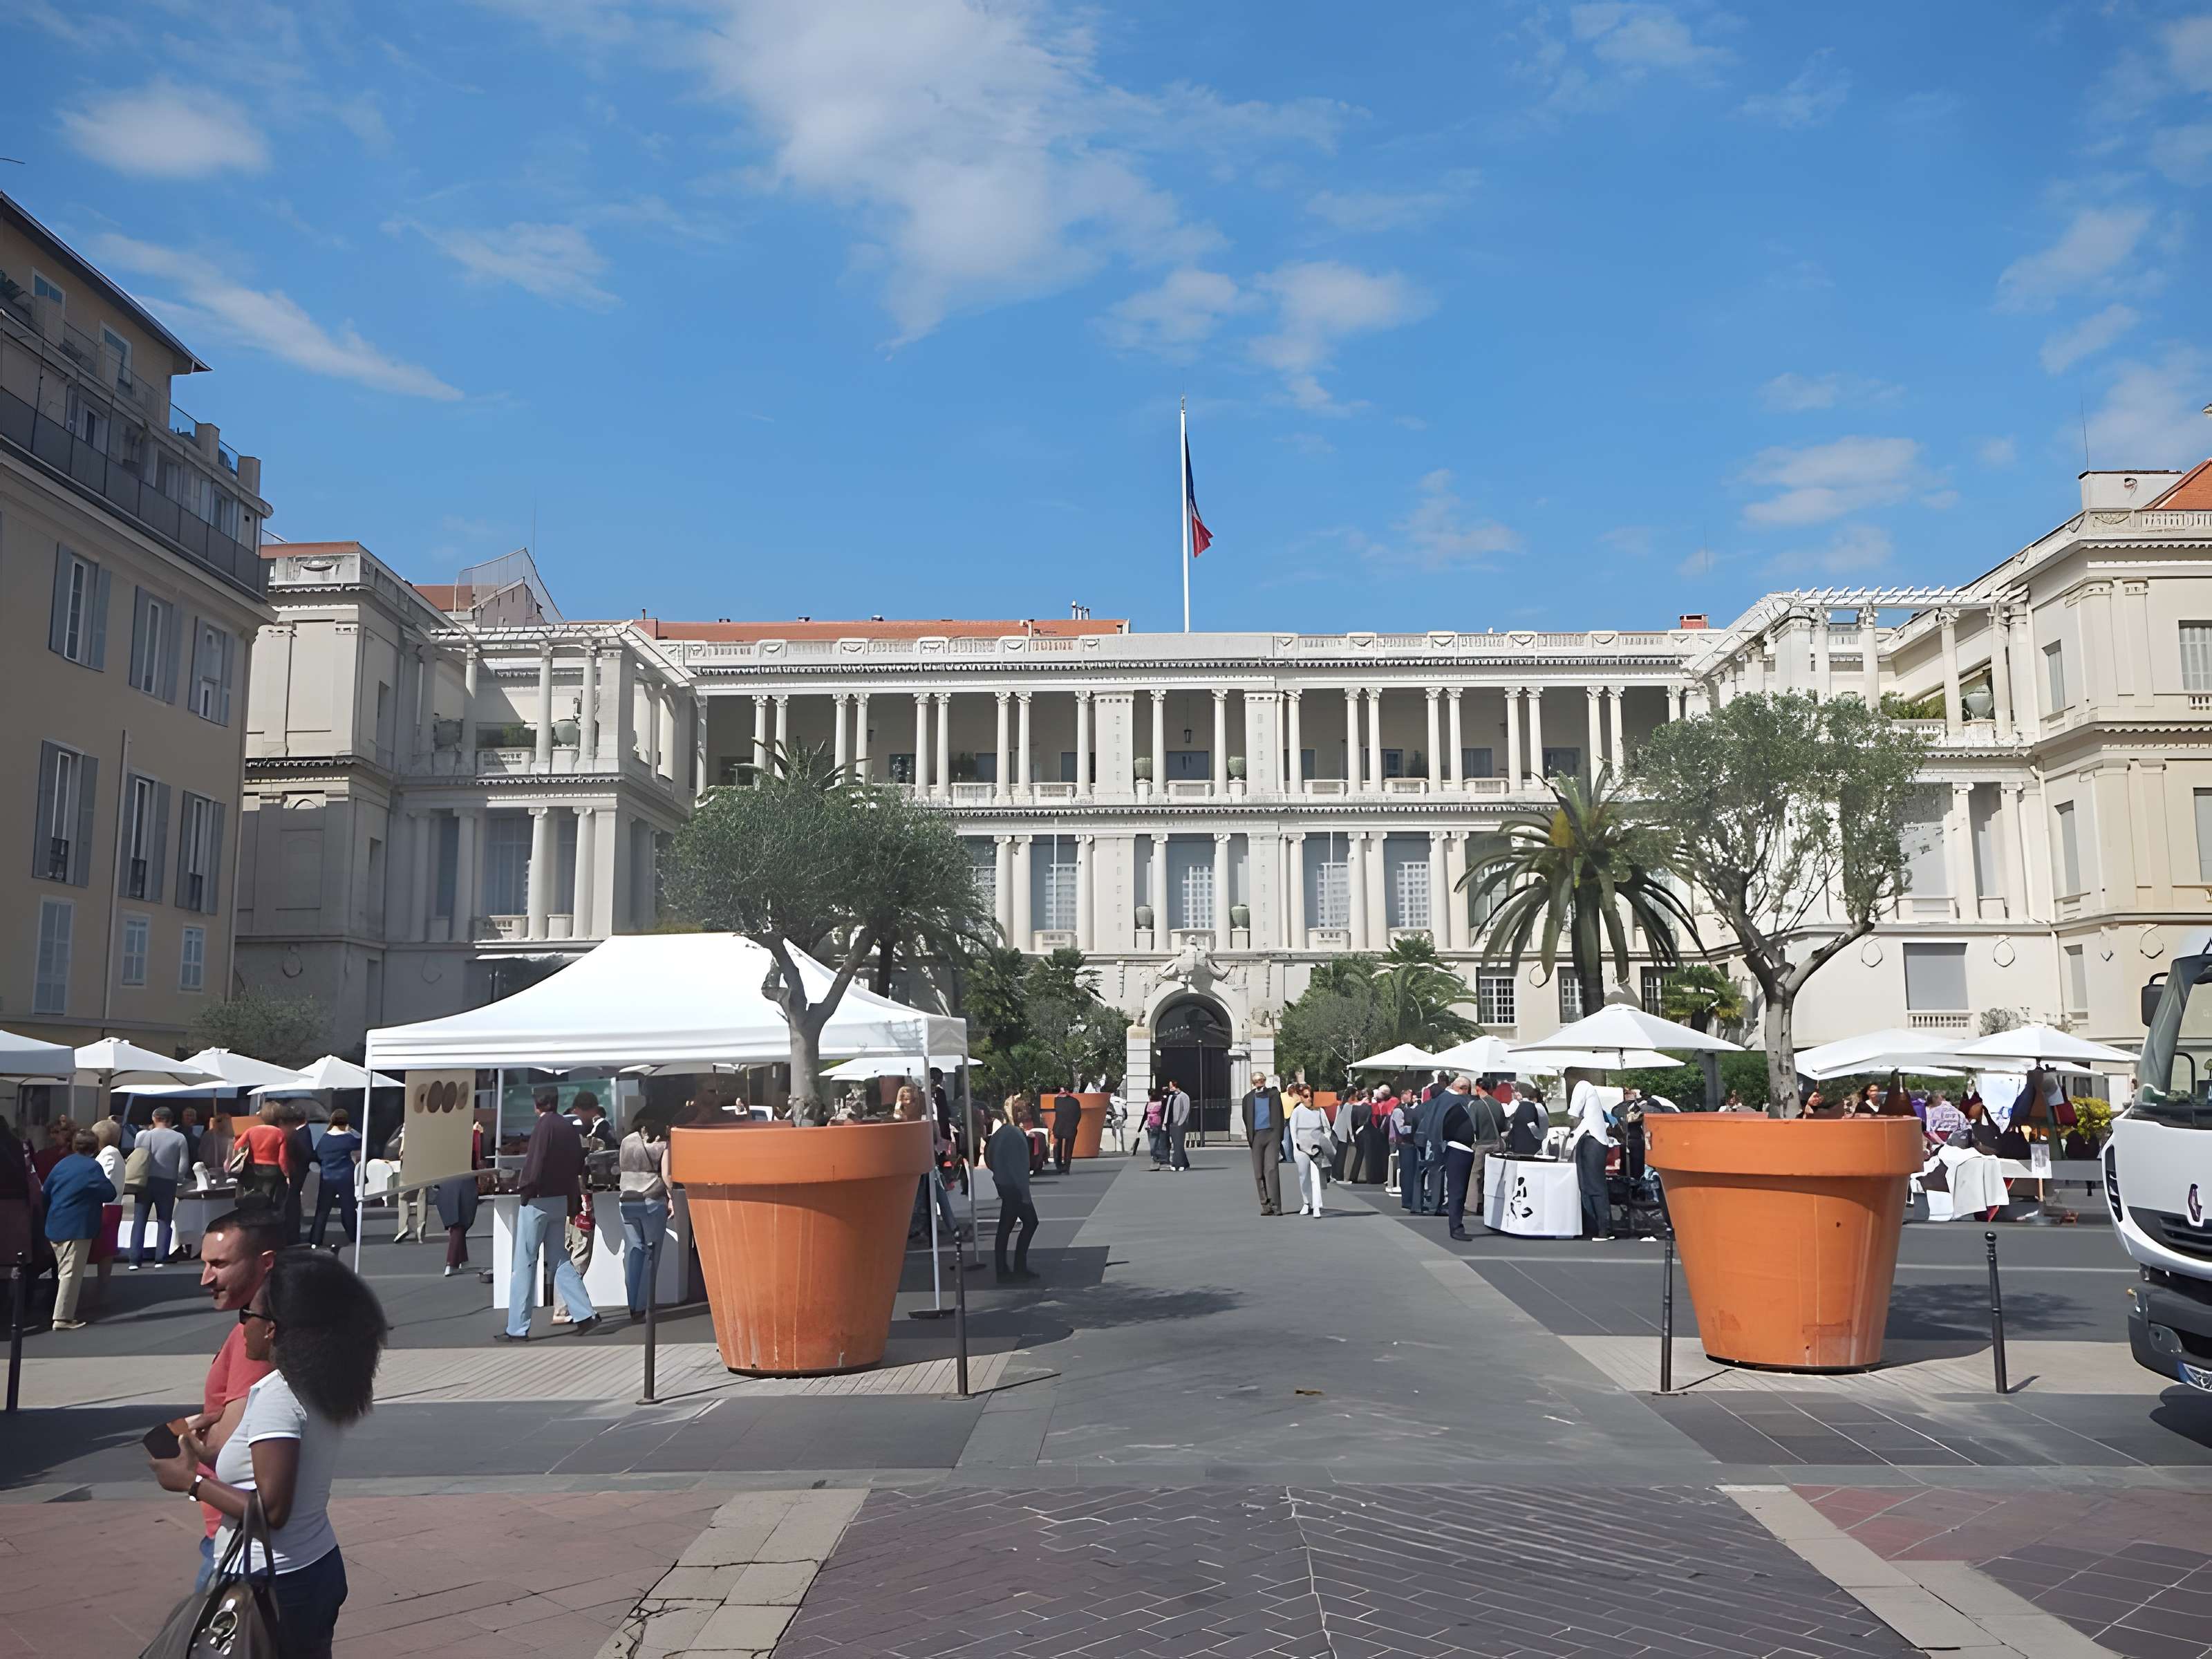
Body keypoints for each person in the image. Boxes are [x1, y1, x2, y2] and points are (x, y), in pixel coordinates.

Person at [151, 1248, 388, 1658]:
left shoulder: (278, 1395)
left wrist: (191, 1483)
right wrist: (208, 1454)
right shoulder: (321, 1381)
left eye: (248, 1316)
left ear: (274, 1329)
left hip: (272, 1579)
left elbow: (272, 1512)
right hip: (314, 1564)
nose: (241, 1327)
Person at [189, 1208, 282, 1588]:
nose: (205, 1279)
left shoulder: (254, 1342)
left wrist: (182, 1440)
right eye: (205, 1264)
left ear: (266, 1263)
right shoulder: (261, 1330)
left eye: (219, 1264)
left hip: (237, 1537)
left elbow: (226, 1447)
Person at [496, 1090, 599, 1342]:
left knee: (525, 1263)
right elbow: (577, 1164)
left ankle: (517, 1327)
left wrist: (525, 1190)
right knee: (560, 1260)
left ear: (536, 1104)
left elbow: (535, 1163)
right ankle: (586, 1313)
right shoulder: (566, 1127)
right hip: (560, 1200)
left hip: (538, 1200)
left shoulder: (543, 1127)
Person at [42, 1130, 113, 1330]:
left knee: (63, 1270)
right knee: (70, 1273)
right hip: (77, 1226)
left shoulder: (62, 1164)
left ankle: (60, 1310)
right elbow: (109, 1192)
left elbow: (46, 1191)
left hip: (55, 1221)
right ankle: (62, 1317)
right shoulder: (92, 1167)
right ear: (95, 1147)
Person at [618, 1114, 673, 1320]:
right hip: (652, 1200)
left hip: (627, 1200)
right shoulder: (663, 1146)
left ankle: (633, 1303)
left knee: (635, 1251)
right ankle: (644, 1305)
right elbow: (667, 1175)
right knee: (652, 1254)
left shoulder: (626, 1142)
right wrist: (672, 1196)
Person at [987, 1096, 1040, 1283]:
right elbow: (1020, 1169)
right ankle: (1018, 1266)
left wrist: (997, 1174)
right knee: (1030, 1222)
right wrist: (1025, 1194)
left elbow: (989, 1156)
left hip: (1004, 1183)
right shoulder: (1016, 1135)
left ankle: (1003, 1267)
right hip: (1014, 1187)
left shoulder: (1001, 1133)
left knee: (1006, 1226)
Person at [131, 1106, 190, 1268]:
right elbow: (183, 1164)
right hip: (167, 1181)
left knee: (139, 1219)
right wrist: (178, 1178)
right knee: (164, 1219)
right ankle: (161, 1257)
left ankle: (135, 1259)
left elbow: (138, 1157)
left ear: (154, 1118)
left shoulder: (142, 1136)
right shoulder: (179, 1138)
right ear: (171, 1120)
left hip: (144, 1180)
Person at [1566, 1079, 1614, 1241]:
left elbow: (1573, 1113)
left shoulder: (1583, 1086)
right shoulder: (1589, 1092)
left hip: (1592, 1141)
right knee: (1589, 1186)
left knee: (1592, 1186)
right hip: (1593, 1141)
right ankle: (1596, 1227)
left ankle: (1601, 1228)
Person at [309, 1107, 362, 1250]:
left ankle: (316, 1238)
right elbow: (361, 1141)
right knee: (348, 1207)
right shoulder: (349, 1138)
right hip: (345, 1175)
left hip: (327, 1176)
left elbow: (318, 1156)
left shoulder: (324, 1139)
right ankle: (353, 1235)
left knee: (323, 1209)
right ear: (346, 1122)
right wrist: (351, 1130)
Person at [231, 1101, 295, 1217]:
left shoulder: (252, 1130)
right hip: (273, 1171)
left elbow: (237, 1146)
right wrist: (287, 1175)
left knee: (252, 1199)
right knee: (269, 1203)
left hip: (252, 1168)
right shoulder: (279, 1133)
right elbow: (282, 1159)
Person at [1240, 1072, 1285, 1215]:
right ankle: (1265, 1205)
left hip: (1272, 1134)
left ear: (1265, 1081)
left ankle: (1276, 1205)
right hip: (1257, 1136)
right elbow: (1245, 1117)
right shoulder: (1248, 1098)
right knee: (1258, 1172)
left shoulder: (1274, 1095)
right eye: (1256, 1080)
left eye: (1261, 1079)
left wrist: (1279, 1136)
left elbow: (1280, 1114)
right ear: (1253, 1083)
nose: (1259, 1082)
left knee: (1271, 1169)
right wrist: (1251, 1136)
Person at [1286, 1089, 1333, 1217]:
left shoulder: (1319, 1111)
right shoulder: (1297, 1112)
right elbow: (1292, 1131)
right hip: (1302, 1149)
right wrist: (1296, 1149)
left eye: (1311, 1096)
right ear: (1301, 1097)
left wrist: (1324, 1140)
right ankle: (1306, 1203)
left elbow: (1327, 1128)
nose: (1309, 1099)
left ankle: (1317, 1206)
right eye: (1306, 1096)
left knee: (1316, 1177)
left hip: (1317, 1149)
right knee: (1304, 1177)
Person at [281, 1102, 316, 1246]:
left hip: (297, 1171)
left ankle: (292, 1234)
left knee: (292, 1203)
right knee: (293, 1203)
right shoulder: (303, 1131)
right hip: (299, 1170)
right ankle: (293, 1233)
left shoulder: (299, 1134)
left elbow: (306, 1152)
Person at [1503, 1082, 1548, 1156]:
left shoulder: (1522, 1106)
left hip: (1519, 1146)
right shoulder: (1538, 1107)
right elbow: (1542, 1131)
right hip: (1532, 1147)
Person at [1049, 1087, 1080, 1174]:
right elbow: (1078, 1115)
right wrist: (1074, 1125)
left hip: (1059, 1127)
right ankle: (1067, 1167)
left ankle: (1059, 1166)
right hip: (1071, 1127)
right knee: (1069, 1148)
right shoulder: (1075, 1101)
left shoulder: (1057, 1101)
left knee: (1057, 1147)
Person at [1163, 1078, 1192, 1171]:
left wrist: (1181, 1122)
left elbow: (1186, 1110)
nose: (1171, 1088)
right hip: (1172, 1123)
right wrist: (1165, 1122)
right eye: (1170, 1086)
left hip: (1180, 1124)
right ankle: (1184, 1163)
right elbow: (1168, 1110)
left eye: (1172, 1086)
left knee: (1179, 1144)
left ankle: (1177, 1164)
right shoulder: (1171, 1097)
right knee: (1176, 1145)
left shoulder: (1184, 1096)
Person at [1143, 1088, 1168, 1170]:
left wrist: (1140, 1129)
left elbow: (1145, 1116)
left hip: (1151, 1125)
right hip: (1158, 1124)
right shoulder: (1161, 1103)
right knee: (1160, 1142)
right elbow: (1164, 1113)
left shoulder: (1149, 1104)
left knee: (1153, 1143)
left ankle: (1156, 1159)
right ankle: (1161, 1159)